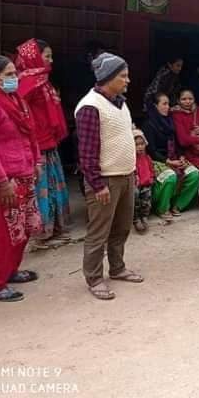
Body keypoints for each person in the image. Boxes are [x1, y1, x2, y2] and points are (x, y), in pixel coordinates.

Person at [75, 52, 144, 300]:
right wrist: (97, 184)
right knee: (99, 232)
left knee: (121, 227)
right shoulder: (90, 107)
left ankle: (117, 267)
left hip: (125, 175)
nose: (128, 80)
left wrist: (133, 171)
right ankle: (94, 278)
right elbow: (87, 151)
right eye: (123, 76)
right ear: (108, 77)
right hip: (105, 180)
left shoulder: (121, 103)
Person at [0, 54, 42, 301]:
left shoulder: (17, 101)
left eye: (16, 73)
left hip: (24, 173)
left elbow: (30, 134)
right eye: (10, 74)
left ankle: (11, 270)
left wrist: (37, 161)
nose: (16, 78)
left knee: (23, 228)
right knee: (3, 233)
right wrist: (3, 183)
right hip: (6, 179)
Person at [15, 38, 71, 247]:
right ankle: (41, 233)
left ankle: (54, 228)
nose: (51, 60)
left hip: (49, 141)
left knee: (53, 185)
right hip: (37, 144)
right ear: (35, 57)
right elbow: (20, 114)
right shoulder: (27, 83)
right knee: (42, 188)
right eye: (47, 56)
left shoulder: (43, 80)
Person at [141, 92, 199, 224]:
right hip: (157, 160)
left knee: (194, 174)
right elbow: (151, 150)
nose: (167, 107)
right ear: (155, 106)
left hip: (174, 157)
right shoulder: (149, 125)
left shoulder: (170, 122)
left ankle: (178, 205)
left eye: (168, 104)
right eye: (164, 104)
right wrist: (168, 161)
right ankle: (162, 208)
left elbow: (178, 143)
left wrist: (181, 157)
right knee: (170, 176)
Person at [172, 88, 199, 168]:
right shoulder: (176, 115)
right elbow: (183, 140)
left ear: (194, 99)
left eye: (190, 99)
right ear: (178, 101)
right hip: (189, 153)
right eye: (184, 99)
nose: (187, 101)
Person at [132, 128, 154, 234]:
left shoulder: (147, 158)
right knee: (135, 200)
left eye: (142, 144)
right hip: (136, 185)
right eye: (136, 145)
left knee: (146, 201)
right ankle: (136, 219)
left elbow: (151, 169)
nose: (140, 147)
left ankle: (144, 217)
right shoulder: (131, 160)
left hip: (146, 184)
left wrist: (151, 178)